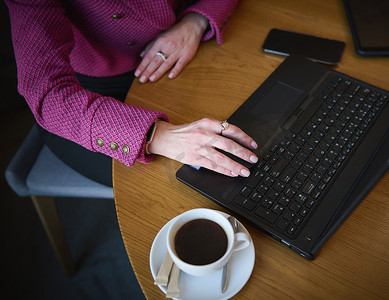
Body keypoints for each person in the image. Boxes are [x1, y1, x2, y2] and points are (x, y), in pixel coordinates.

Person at [6, 0, 259, 187]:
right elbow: (46, 92)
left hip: (181, 45)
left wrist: (195, 21)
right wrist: (155, 135)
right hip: (87, 98)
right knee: (190, 180)